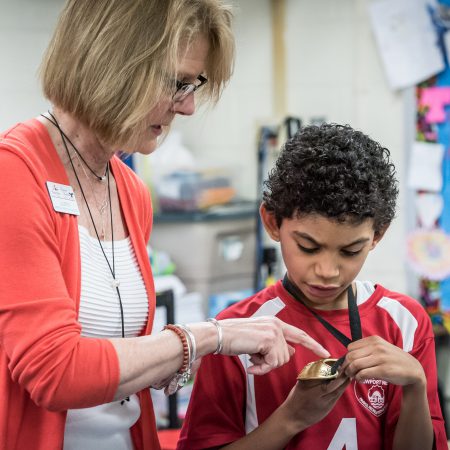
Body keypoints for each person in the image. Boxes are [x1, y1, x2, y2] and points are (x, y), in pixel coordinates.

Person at [0, 1, 330, 450]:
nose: (189, 106)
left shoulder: (130, 191)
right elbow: (56, 373)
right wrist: (208, 337)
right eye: (176, 84)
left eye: (193, 85)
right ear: (109, 64)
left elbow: (119, 363)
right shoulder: (13, 175)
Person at [177, 123, 448, 450]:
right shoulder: (235, 332)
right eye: (308, 247)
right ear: (273, 222)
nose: (327, 271)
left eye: (350, 251)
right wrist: (290, 418)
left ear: (377, 235)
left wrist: (415, 384)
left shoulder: (405, 321)